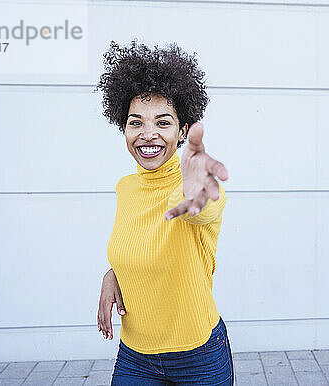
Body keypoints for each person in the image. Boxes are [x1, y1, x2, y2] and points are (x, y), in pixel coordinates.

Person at [94, 40, 234, 385]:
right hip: (135, 356)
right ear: (123, 128)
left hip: (199, 357)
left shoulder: (192, 186)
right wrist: (114, 272)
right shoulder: (125, 187)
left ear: (183, 131)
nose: (148, 135)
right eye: (135, 122)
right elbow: (141, 242)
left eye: (163, 122)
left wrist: (198, 191)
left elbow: (201, 208)